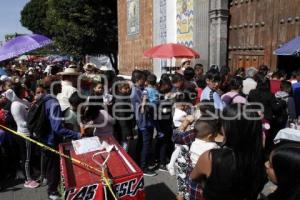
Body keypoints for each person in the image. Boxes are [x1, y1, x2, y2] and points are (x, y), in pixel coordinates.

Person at [191, 104, 266, 200]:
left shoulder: (211, 157)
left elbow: (193, 177)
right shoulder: (261, 158)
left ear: (229, 127)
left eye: (222, 123)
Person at [10, 83, 39, 188]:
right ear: (18, 91)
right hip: (24, 134)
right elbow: (21, 122)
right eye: (22, 90)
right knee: (26, 158)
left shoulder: (24, 100)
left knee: (31, 156)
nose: (25, 91)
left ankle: (32, 173)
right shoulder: (15, 105)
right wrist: (34, 122)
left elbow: (30, 108)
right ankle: (28, 180)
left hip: (30, 132)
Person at [130, 70, 156, 176]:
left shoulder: (140, 89)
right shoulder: (135, 92)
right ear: (137, 80)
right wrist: (150, 103)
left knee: (142, 142)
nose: (144, 81)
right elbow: (141, 108)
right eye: (143, 79)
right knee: (145, 143)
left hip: (145, 120)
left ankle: (139, 161)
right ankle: (143, 166)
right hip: (142, 121)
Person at [167, 93, 193, 176]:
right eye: (185, 105)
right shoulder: (180, 114)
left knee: (178, 149)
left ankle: (173, 164)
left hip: (179, 132)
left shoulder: (177, 110)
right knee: (180, 149)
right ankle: (171, 165)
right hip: (180, 133)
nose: (186, 106)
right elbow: (188, 120)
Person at [113, 78, 134, 151]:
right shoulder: (121, 101)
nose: (128, 90)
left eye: (128, 88)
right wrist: (127, 133)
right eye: (125, 88)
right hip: (123, 130)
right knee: (124, 148)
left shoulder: (124, 98)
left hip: (125, 128)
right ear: (120, 89)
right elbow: (122, 119)